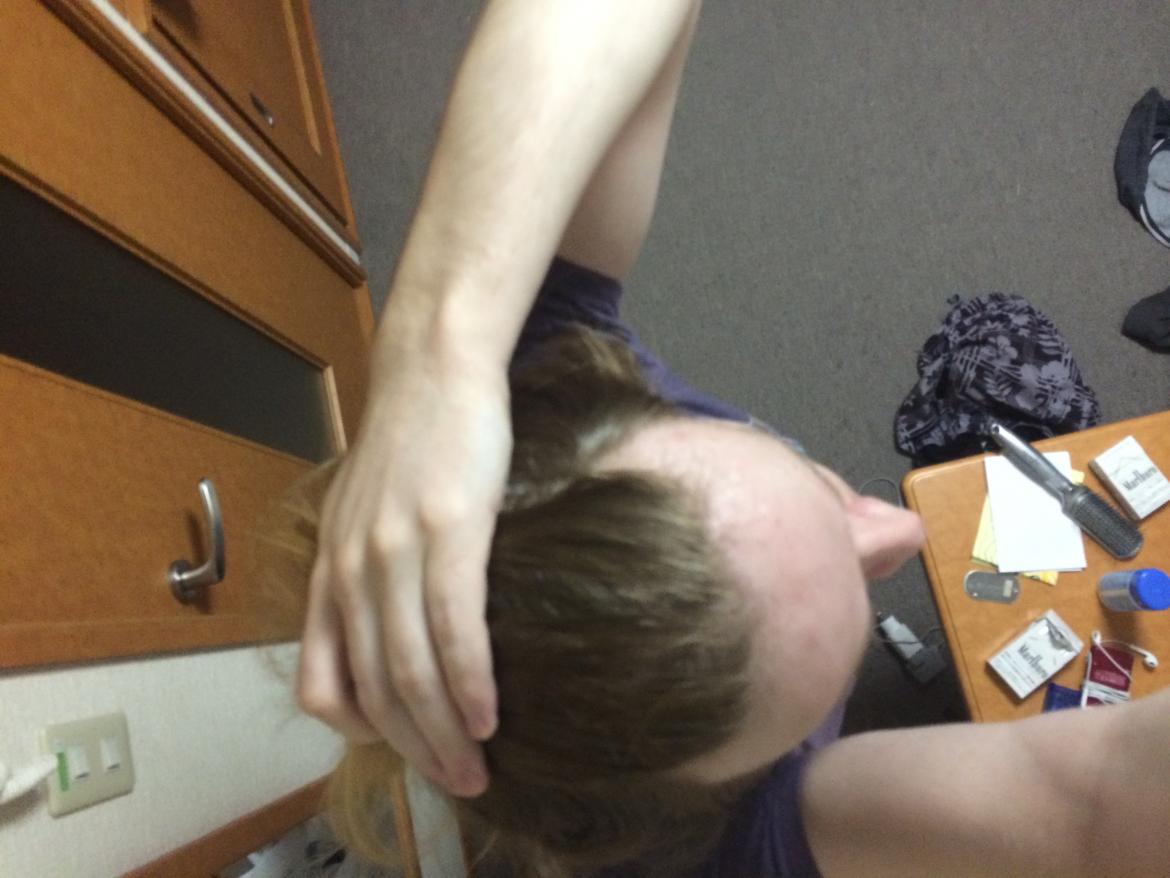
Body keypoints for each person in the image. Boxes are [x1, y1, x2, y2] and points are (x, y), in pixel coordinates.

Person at [282, 1, 1170, 875]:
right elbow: (1093, 803)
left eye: (821, 493)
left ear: (607, 400)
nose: (904, 526)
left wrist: (439, 354)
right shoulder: (734, 849)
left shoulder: (544, 366)